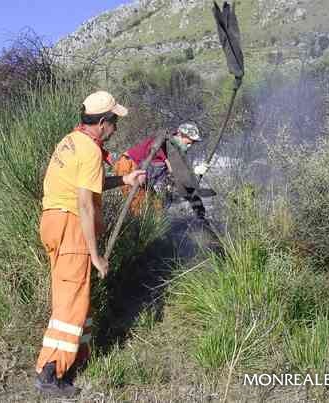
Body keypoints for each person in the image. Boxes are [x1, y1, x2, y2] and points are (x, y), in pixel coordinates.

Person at [34, 91, 145, 397]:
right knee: (71, 303)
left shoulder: (72, 141)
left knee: (71, 297)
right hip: (71, 227)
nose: (116, 129)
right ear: (102, 123)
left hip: (54, 222)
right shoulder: (91, 151)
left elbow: (89, 183)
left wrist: (124, 180)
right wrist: (96, 255)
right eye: (114, 122)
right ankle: (50, 374)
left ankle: (70, 364)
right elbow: (84, 203)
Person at [113, 123, 209, 218]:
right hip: (128, 167)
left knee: (157, 207)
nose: (189, 147)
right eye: (188, 143)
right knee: (139, 208)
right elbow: (174, 169)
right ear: (179, 134)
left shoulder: (175, 148)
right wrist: (195, 171)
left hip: (142, 175)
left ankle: (149, 229)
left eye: (191, 144)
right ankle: (134, 231)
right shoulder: (164, 142)